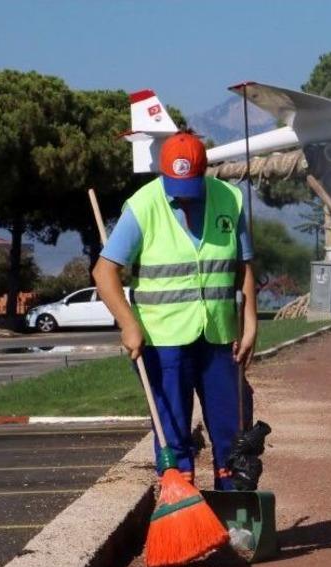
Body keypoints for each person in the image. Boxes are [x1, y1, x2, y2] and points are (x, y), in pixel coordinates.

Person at [93, 131, 257, 491]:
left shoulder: (230, 199)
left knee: (232, 429)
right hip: (161, 342)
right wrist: (128, 325)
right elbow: (104, 272)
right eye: (175, 184)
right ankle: (181, 515)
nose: (182, 196)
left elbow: (243, 267)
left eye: (190, 184)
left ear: (203, 173)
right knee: (173, 435)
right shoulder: (143, 206)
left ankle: (235, 512)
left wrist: (250, 322)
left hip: (218, 336)